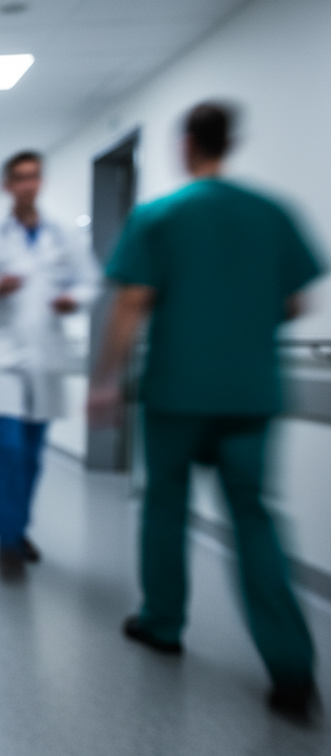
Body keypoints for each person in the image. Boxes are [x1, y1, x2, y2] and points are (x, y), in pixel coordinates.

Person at [88, 102, 324, 721]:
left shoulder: (159, 216)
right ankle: (293, 670)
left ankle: (163, 624)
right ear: (232, 141)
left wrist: (106, 380)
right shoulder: (272, 214)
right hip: (250, 392)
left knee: (165, 504)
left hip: (176, 391)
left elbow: (132, 303)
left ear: (187, 144)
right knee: (255, 518)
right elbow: (295, 302)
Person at [0, 150, 100, 577]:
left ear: (41, 182)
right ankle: (7, 543)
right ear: (7, 185)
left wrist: (76, 300)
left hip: (46, 356)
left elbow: (90, 281)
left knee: (33, 455)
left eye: (34, 177)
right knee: (8, 446)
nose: (28, 185)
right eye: (20, 178)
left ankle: (18, 529)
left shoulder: (63, 235)